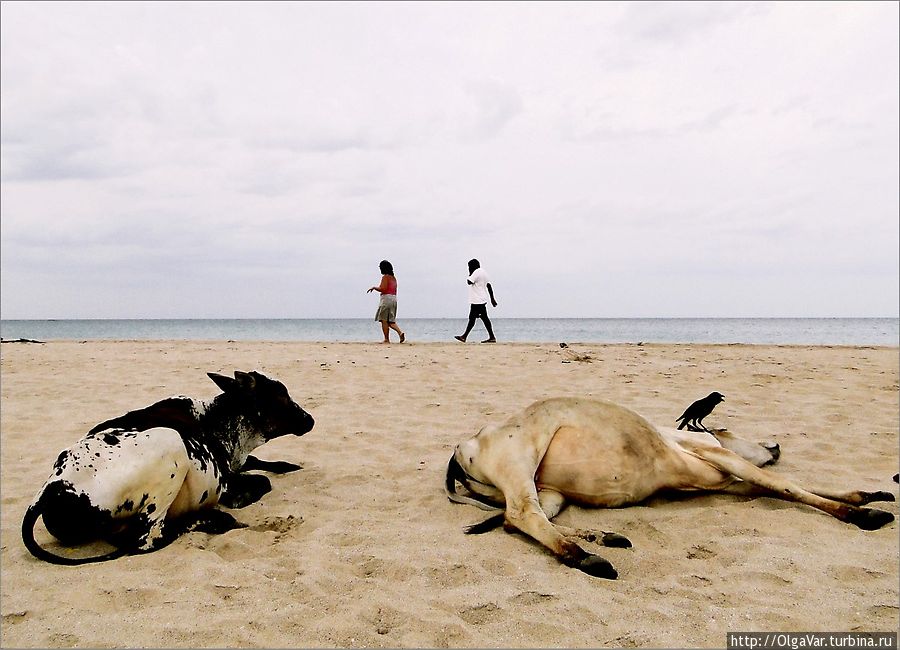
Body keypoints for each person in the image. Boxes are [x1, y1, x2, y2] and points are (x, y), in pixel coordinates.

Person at [454, 258, 497, 343]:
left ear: (472, 266)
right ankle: (491, 337)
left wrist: (470, 273)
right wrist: (492, 298)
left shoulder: (476, 272)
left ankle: (464, 336)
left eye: (469, 267)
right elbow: (489, 286)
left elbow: (469, 281)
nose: (468, 268)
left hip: (477, 300)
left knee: (474, 319)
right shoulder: (484, 272)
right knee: (482, 319)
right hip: (481, 299)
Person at [367, 260, 405, 343]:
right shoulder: (393, 278)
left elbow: (383, 288)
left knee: (384, 320)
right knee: (390, 320)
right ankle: (400, 332)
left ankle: (386, 339)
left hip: (386, 299)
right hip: (394, 299)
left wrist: (374, 287)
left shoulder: (385, 277)